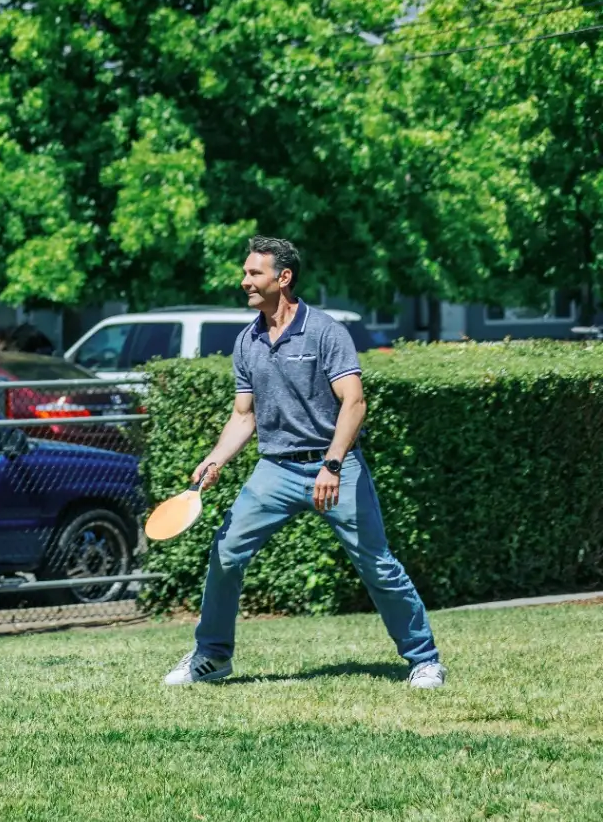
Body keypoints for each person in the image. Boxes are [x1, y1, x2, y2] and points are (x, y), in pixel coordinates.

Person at [163, 237, 446, 689]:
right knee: (226, 552)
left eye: (254, 273)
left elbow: (353, 403)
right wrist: (214, 460)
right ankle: (212, 656)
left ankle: (424, 659)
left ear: (283, 278)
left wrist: (332, 466)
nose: (245, 281)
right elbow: (244, 414)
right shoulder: (247, 341)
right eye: (246, 273)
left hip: (335, 465)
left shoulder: (324, 331)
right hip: (274, 469)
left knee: (376, 564)